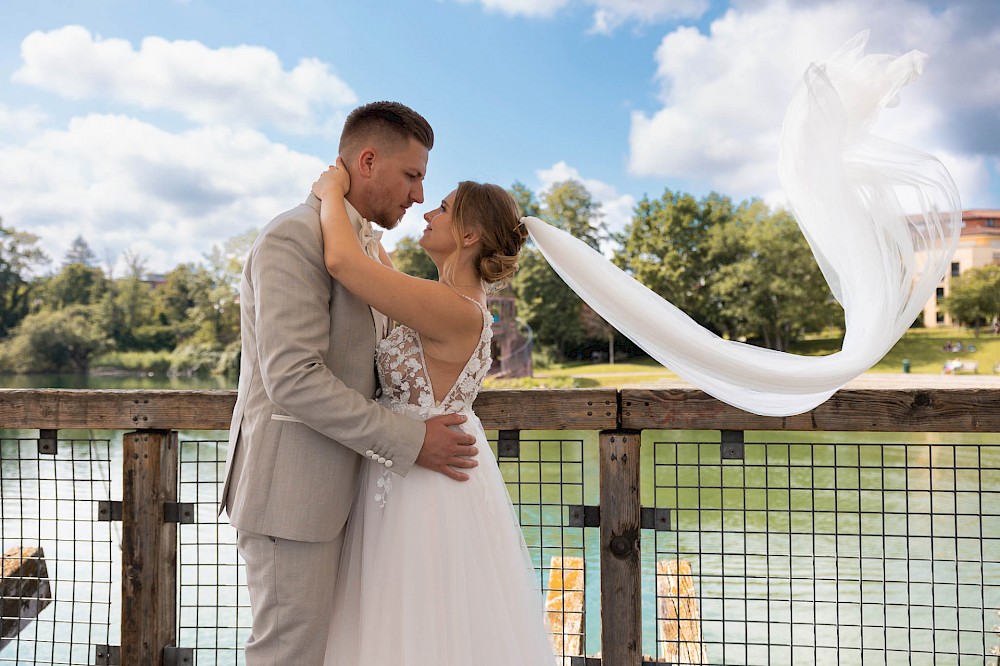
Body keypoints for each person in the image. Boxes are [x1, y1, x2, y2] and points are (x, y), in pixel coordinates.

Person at [218, 101, 480, 666]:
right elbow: (293, 379)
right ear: (367, 161)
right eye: (412, 176)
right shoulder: (293, 238)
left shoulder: (363, 245)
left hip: (355, 495)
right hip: (294, 496)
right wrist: (412, 441)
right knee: (290, 656)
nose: (417, 195)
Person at [311, 160, 556, 664]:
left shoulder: (455, 309)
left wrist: (330, 193)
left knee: (419, 619)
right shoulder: (444, 299)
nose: (426, 212)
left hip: (424, 486)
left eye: (442, 209)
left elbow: (345, 263)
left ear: (467, 234)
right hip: (407, 466)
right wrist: (361, 212)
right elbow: (374, 263)